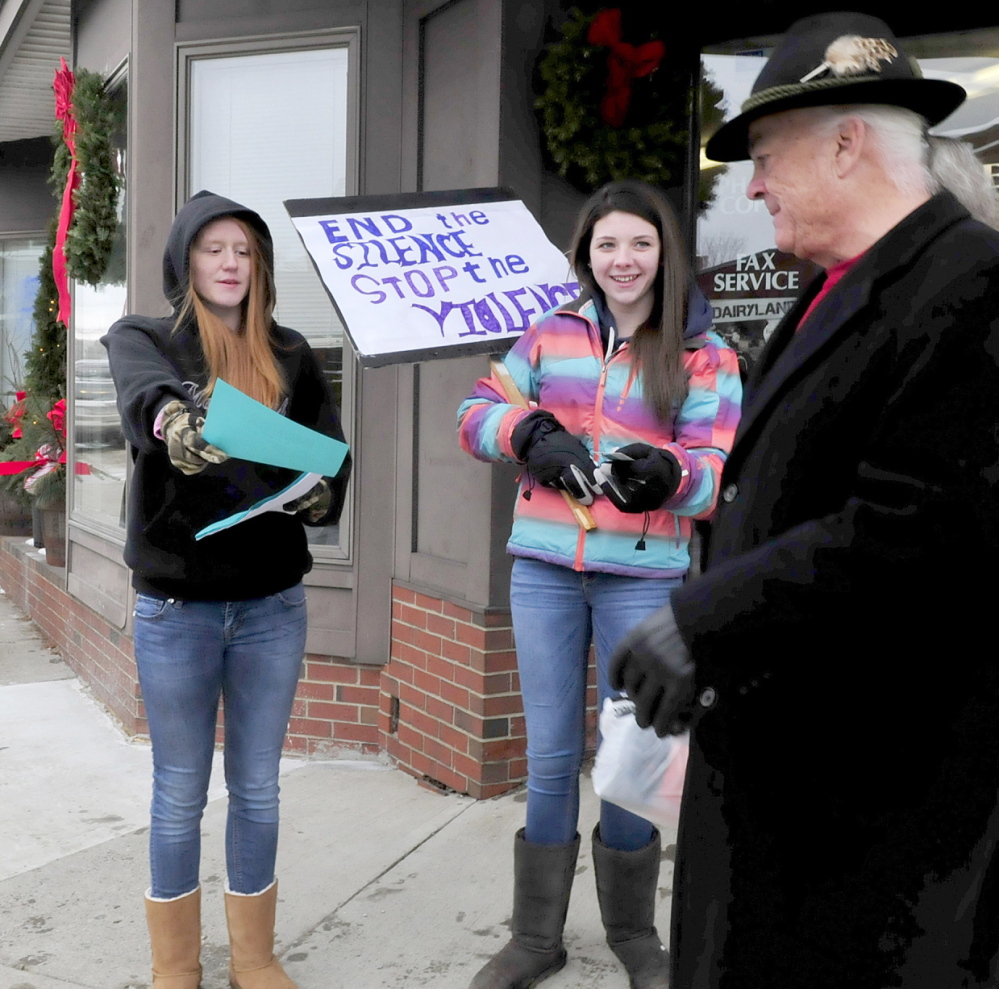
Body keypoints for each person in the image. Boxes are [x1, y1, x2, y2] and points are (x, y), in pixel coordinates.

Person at [610, 12, 999, 988]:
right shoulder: (835, 286)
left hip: (870, 819)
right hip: (787, 778)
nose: (751, 186)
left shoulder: (970, 284)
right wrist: (696, 502)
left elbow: (909, 531)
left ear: (845, 142)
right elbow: (786, 481)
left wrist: (704, 615)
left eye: (767, 157)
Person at [457, 180, 741, 989]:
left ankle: (634, 933)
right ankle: (535, 937)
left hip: (640, 579)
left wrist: (669, 474)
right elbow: (476, 411)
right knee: (549, 758)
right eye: (607, 245)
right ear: (585, 254)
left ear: (663, 255)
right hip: (545, 572)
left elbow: (715, 473)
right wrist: (529, 431)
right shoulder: (550, 335)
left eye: (639, 244)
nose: (623, 260)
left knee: (632, 755)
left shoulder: (701, 354)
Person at [103, 190, 351, 989]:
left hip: (271, 604)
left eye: (244, 250)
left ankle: (255, 955)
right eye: (213, 249)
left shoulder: (291, 352)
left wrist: (319, 493)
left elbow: (329, 454)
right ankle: (174, 966)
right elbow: (148, 400)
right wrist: (180, 425)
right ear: (186, 261)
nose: (231, 263)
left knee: (257, 784)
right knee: (180, 788)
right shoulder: (147, 337)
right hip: (177, 608)